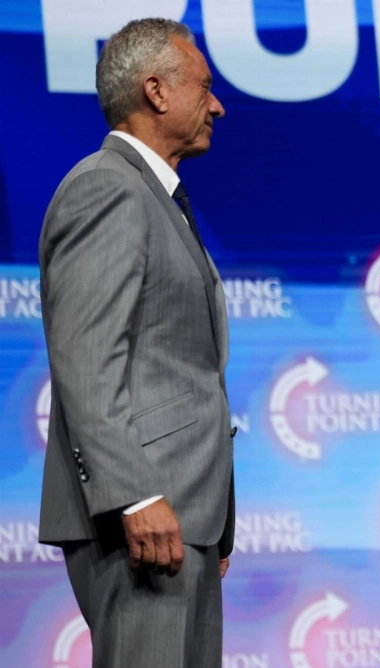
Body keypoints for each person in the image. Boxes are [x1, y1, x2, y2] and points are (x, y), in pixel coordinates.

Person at [38, 18, 235, 668]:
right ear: (155, 90)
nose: (217, 105)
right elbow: (87, 358)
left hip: (182, 512)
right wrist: (134, 494)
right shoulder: (107, 187)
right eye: (204, 87)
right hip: (142, 516)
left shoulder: (157, 197)